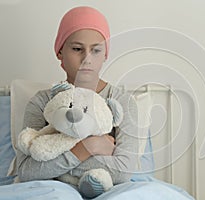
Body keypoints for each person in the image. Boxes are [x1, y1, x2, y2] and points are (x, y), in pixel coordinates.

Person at [15, 6, 139, 198]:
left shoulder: (123, 101)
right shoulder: (42, 102)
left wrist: (52, 166)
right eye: (77, 49)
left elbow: (123, 171)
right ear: (60, 53)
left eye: (96, 50)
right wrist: (91, 147)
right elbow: (26, 171)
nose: (86, 58)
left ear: (105, 55)